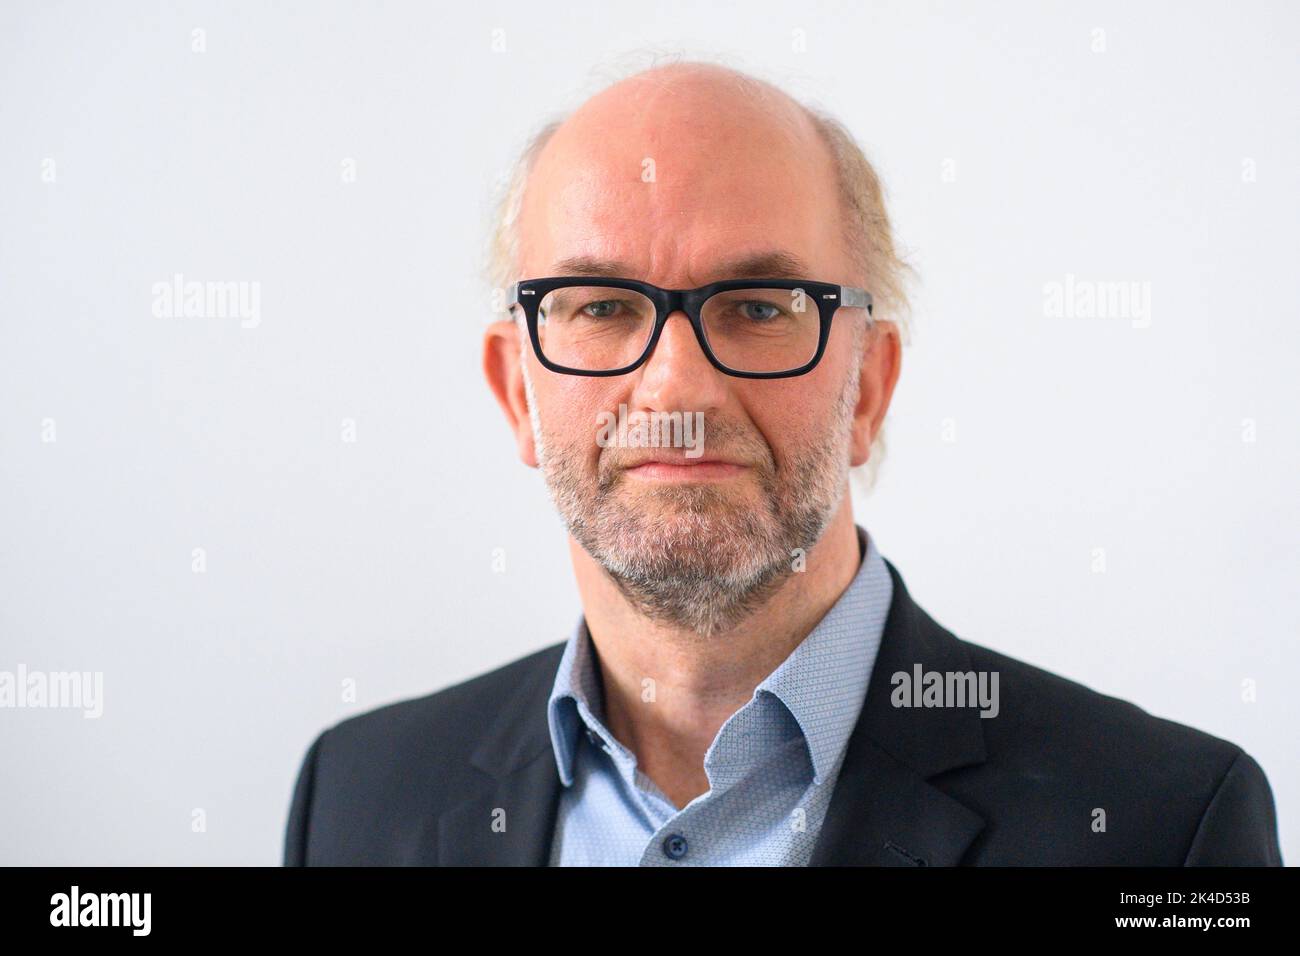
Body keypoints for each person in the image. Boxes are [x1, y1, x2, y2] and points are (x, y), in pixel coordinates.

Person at [284, 60, 1281, 866]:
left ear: (869, 385)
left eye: (758, 309)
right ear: (516, 390)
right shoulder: (358, 796)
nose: (675, 388)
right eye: (598, 307)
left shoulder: (1164, 827)